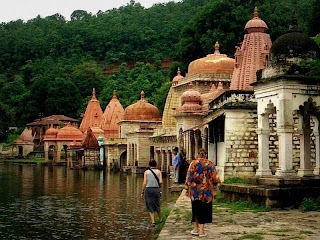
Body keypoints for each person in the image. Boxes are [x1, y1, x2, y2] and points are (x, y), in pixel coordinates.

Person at [185, 148, 220, 237]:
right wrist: (215, 188)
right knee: (204, 209)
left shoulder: (193, 163)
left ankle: (196, 229)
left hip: (195, 190)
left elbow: (188, 177)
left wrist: (187, 189)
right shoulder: (209, 164)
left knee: (196, 209)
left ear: (198, 154)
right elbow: (215, 178)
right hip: (206, 191)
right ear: (205, 155)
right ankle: (201, 231)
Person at [141, 159, 163, 227]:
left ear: (149, 165)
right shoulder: (159, 172)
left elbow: (144, 183)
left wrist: (142, 191)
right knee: (157, 204)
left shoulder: (146, 172)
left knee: (150, 205)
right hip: (156, 189)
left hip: (148, 189)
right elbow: (161, 181)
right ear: (156, 164)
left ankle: (153, 222)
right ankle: (160, 219)